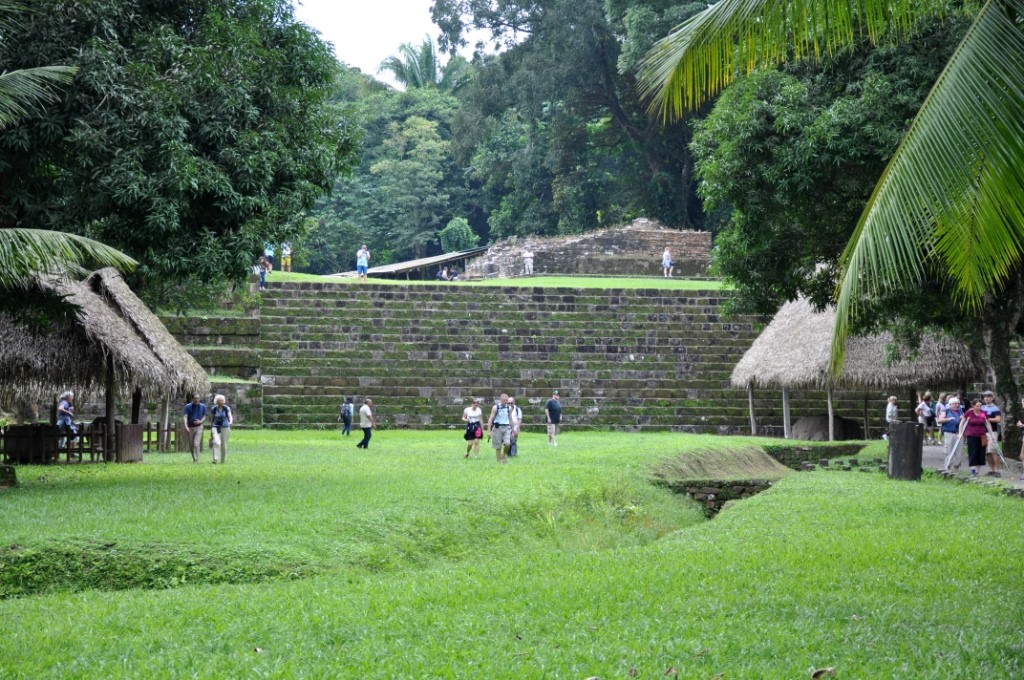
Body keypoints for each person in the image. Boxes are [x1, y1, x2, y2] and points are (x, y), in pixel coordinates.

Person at [959, 398, 989, 476]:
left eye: (980, 406)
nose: (979, 408)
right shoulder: (969, 413)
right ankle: (973, 469)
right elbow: (962, 423)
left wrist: (991, 434)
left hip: (982, 436)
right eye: (977, 406)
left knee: (981, 453)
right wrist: (960, 433)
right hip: (972, 436)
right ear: (973, 406)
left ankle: (977, 472)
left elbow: (987, 424)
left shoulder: (984, 413)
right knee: (973, 452)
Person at [486, 393, 516, 464]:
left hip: (506, 427)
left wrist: (513, 430)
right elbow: (490, 419)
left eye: (506, 400)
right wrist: (489, 431)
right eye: (504, 400)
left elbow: (510, 419)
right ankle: (499, 462)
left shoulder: (509, 408)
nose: (505, 401)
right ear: (500, 400)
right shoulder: (496, 407)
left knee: (507, 444)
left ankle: (504, 455)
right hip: (497, 427)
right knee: (498, 446)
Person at [980, 390, 1003, 476]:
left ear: (992, 398)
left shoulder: (995, 408)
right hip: (983, 432)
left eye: (988, 397)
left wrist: (988, 419)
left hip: (992, 432)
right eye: (985, 397)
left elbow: (998, 419)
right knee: (987, 452)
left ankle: (997, 471)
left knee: (992, 451)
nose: (986, 398)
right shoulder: (982, 408)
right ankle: (991, 470)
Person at [938, 397, 963, 469]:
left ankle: (956, 467)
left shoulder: (960, 411)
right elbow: (940, 420)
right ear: (951, 404)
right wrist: (948, 419)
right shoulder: (946, 411)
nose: (957, 405)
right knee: (948, 450)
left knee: (959, 450)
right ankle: (948, 466)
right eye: (955, 403)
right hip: (949, 433)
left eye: (958, 403)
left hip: (958, 433)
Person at [182, 393, 207, 464]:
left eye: (198, 398)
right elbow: (185, 417)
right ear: (192, 399)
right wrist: (186, 426)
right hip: (190, 427)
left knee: (196, 444)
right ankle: (194, 458)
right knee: (191, 444)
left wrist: (200, 421)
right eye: (195, 398)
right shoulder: (188, 406)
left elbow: (205, 416)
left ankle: (196, 460)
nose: (197, 399)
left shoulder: (203, 406)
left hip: (199, 427)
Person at [210, 394, 233, 464]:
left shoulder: (227, 408)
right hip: (215, 426)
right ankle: (215, 459)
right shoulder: (214, 409)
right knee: (216, 442)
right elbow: (212, 419)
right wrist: (211, 428)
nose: (223, 401)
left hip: (225, 426)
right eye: (221, 400)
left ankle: (222, 460)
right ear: (217, 401)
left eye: (223, 400)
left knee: (223, 444)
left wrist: (230, 422)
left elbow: (230, 416)